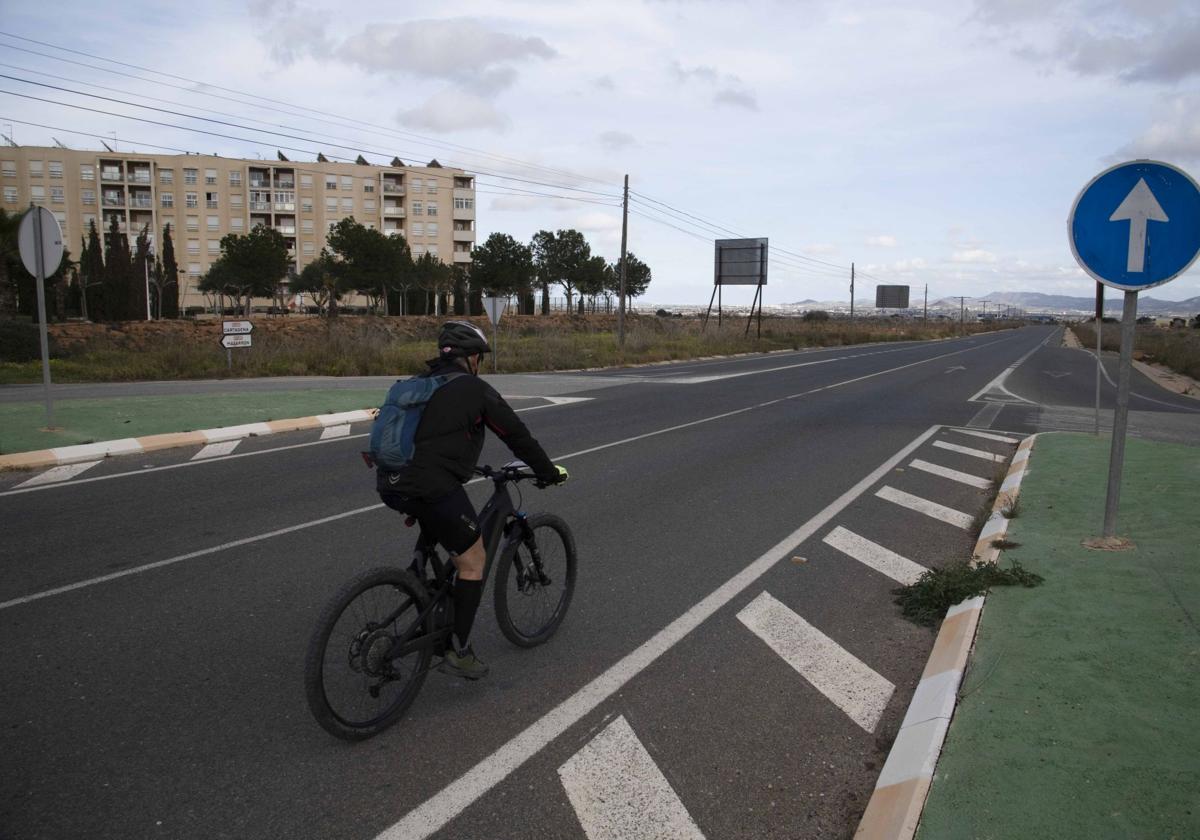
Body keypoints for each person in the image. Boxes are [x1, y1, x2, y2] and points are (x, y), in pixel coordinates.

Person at [376, 320, 568, 680]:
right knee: (473, 559)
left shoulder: (417, 385)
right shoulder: (475, 390)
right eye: (481, 358)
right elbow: (516, 435)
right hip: (431, 485)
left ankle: (418, 577)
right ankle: (458, 650)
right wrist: (547, 471)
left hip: (390, 482)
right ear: (473, 358)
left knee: (435, 518)